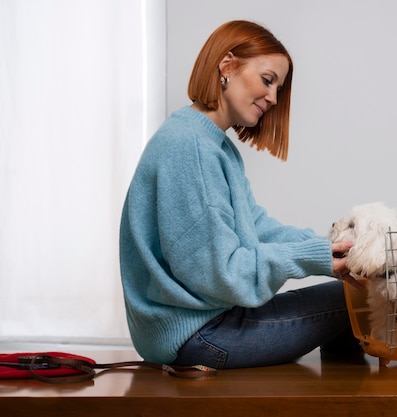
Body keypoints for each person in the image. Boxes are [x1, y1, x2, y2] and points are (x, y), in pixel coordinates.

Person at [119, 20, 362, 369]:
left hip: (196, 328)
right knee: (353, 301)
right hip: (199, 336)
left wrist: (329, 247)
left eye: (278, 87)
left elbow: (256, 224)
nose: (274, 98)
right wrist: (313, 257)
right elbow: (221, 274)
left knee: (345, 297)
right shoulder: (190, 148)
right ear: (227, 65)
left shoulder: (211, 145)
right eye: (267, 80)